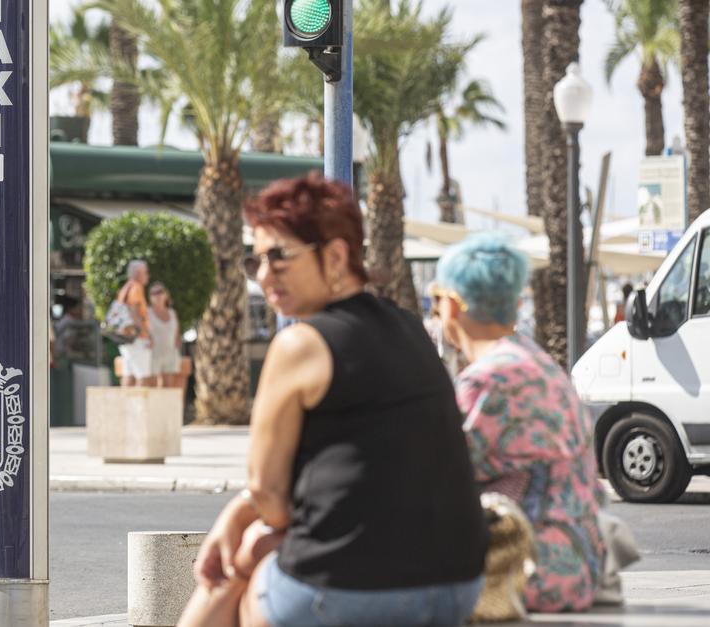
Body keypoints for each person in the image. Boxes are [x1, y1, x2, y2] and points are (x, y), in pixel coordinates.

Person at [179, 175, 487, 627]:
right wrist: (240, 513)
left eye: (279, 256)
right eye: (256, 260)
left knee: (234, 578)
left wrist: (254, 532)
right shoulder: (410, 330)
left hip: (346, 593)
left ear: (337, 255)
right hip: (459, 585)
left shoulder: (300, 345)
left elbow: (269, 491)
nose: (264, 275)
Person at [431, 233, 605, 613]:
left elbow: (437, 474)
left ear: (454, 305)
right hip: (582, 561)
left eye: (436, 299)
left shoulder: (487, 381)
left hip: (529, 568)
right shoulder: (537, 362)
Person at [115, 260, 152, 387]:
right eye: (146, 272)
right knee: (143, 375)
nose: (148, 275)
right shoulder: (136, 287)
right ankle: (140, 406)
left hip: (126, 338)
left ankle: (126, 405)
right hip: (136, 338)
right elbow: (134, 311)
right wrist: (145, 333)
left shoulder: (126, 287)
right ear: (137, 273)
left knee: (128, 373)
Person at [147, 282, 182, 388]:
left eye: (160, 291)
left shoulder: (172, 313)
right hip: (153, 355)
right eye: (154, 293)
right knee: (152, 387)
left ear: (166, 294)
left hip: (170, 354)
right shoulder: (147, 313)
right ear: (150, 297)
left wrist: (178, 341)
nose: (157, 295)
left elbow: (176, 332)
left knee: (168, 387)